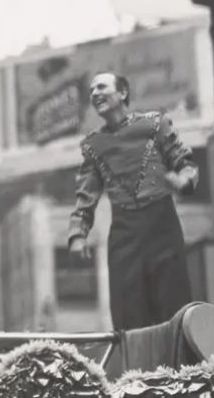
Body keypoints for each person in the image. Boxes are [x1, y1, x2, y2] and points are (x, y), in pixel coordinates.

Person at [68, 72, 199, 330]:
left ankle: (181, 369)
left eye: (102, 87)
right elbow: (86, 195)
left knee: (173, 306)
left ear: (123, 93)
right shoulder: (92, 145)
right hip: (124, 232)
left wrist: (184, 182)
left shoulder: (155, 124)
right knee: (129, 314)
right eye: (91, 90)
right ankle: (136, 371)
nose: (95, 94)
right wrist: (77, 234)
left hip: (162, 226)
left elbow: (185, 163)